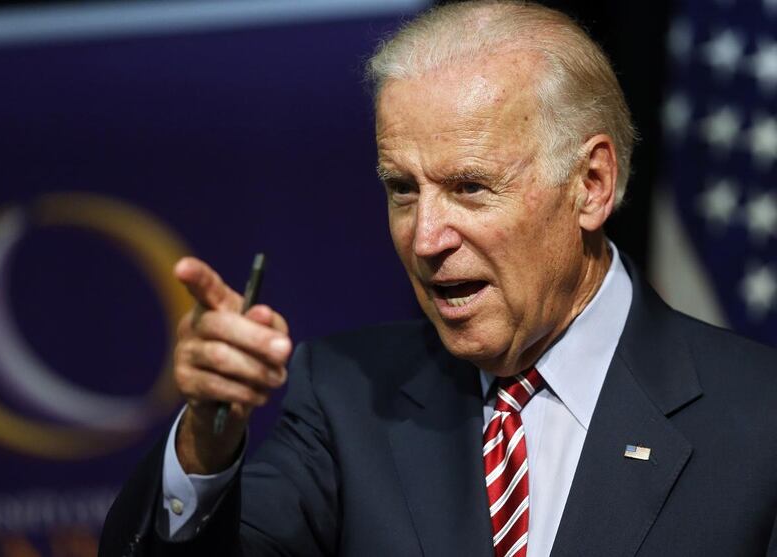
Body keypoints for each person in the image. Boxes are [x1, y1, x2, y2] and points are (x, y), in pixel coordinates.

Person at [100, 1, 777, 556]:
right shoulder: (346, 397)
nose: (424, 238)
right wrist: (205, 443)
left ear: (591, 185)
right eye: (402, 189)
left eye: (470, 187)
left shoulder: (758, 416)